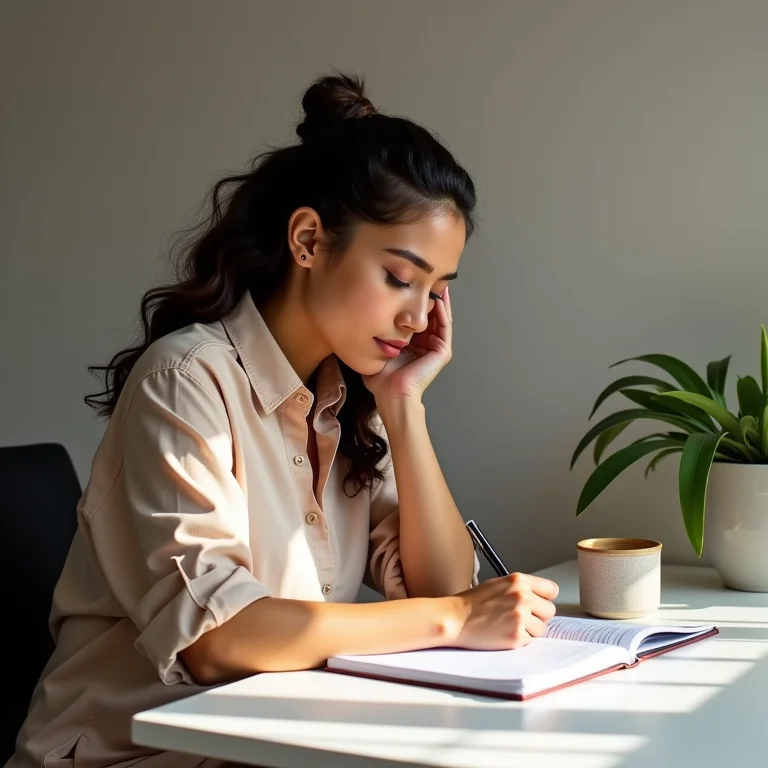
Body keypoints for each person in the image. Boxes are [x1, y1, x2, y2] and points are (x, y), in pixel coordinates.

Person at [8, 72, 559, 768]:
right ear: (306, 239)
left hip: (276, 744)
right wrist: (455, 620)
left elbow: (439, 588)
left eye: (436, 291)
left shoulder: (348, 400)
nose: (419, 318)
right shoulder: (187, 380)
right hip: (138, 757)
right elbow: (219, 640)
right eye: (399, 277)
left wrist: (403, 405)